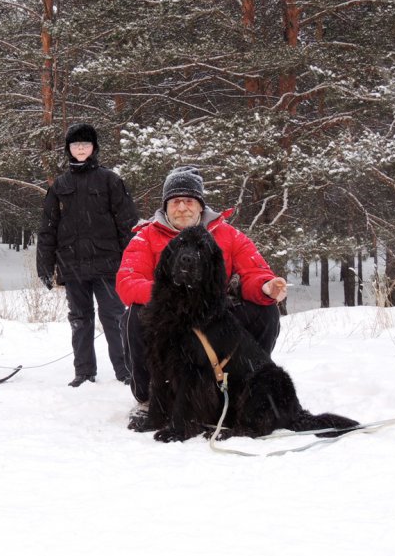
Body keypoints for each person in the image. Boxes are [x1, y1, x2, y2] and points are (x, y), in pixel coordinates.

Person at [116, 166, 287, 404]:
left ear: (200, 206)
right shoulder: (145, 237)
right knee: (134, 316)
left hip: (215, 315)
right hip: (168, 317)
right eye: (175, 202)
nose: (182, 208)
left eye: (189, 201)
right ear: (165, 206)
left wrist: (266, 286)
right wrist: (171, 296)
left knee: (265, 312)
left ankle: (248, 385)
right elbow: (128, 282)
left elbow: (254, 271)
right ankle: (149, 397)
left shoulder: (228, 234)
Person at [37, 123, 139, 387]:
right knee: (80, 319)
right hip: (72, 265)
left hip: (108, 264)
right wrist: (45, 265)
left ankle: (126, 370)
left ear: (94, 148)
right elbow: (48, 228)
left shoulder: (110, 180)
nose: (80, 149)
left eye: (85, 144)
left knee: (114, 316)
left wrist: (132, 263)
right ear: (68, 149)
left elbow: (128, 224)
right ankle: (84, 372)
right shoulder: (60, 185)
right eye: (75, 144)